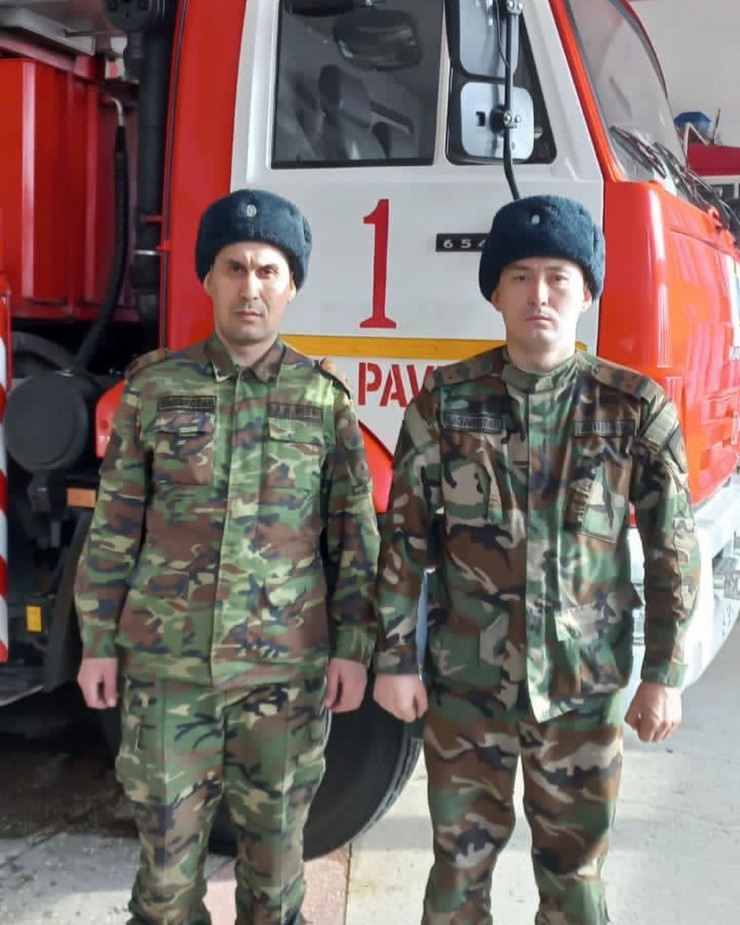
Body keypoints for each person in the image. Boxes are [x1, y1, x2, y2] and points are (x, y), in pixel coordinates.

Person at [373, 194, 700, 924]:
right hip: (468, 691)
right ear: (495, 292)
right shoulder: (445, 401)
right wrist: (394, 660)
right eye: (520, 277)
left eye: (558, 277)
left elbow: (672, 549)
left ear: (587, 292)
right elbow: (404, 539)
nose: (539, 295)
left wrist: (664, 674)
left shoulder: (633, 408)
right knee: (457, 874)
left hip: (581, 692)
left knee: (575, 880)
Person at [74, 188, 379, 925]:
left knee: (275, 877)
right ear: (207, 279)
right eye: (234, 268)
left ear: (291, 285)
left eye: (268, 270)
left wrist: (355, 651)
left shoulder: (325, 402)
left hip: (285, 676)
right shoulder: (154, 390)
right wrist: (97, 643)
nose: (250, 287)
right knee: (164, 881)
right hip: (167, 673)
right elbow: (114, 527)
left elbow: (353, 539)